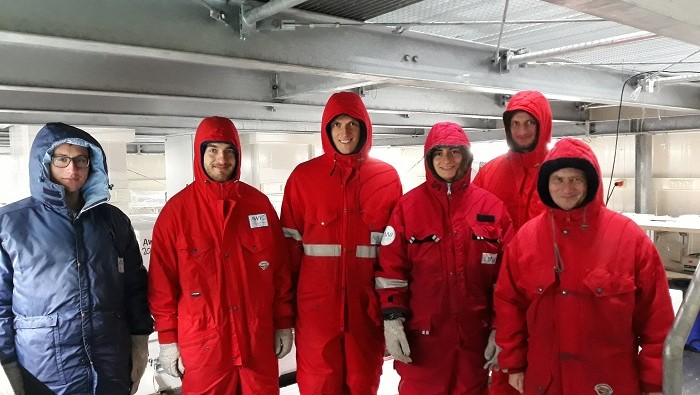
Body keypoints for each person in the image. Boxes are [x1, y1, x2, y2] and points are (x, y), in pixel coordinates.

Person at [494, 138, 674, 395]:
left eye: (576, 179)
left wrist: (654, 381)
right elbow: (508, 306)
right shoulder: (526, 239)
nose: (566, 188)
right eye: (558, 179)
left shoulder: (629, 239)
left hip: (609, 381)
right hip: (545, 381)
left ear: (591, 182)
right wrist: (513, 364)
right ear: (546, 184)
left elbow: (658, 319)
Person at [0, 122, 152, 394]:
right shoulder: (10, 224)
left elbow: (135, 289)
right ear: (44, 163)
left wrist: (139, 345)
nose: (73, 169)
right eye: (62, 159)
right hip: (42, 368)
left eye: (81, 160)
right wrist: (7, 365)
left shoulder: (113, 221)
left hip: (110, 362)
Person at [148, 116, 294, 394]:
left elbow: (280, 271)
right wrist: (167, 339)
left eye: (229, 151)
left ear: (238, 155)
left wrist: (283, 322)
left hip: (256, 340)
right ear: (200, 153)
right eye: (212, 150)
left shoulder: (258, 205)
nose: (221, 158)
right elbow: (161, 285)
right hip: (204, 346)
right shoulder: (176, 213)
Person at [376, 121, 514, 394]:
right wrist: (392, 320)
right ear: (429, 158)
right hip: (423, 343)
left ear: (466, 156)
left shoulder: (492, 208)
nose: (446, 160)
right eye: (439, 153)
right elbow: (392, 271)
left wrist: (502, 329)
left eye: (454, 152)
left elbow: (508, 279)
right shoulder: (408, 207)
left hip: (474, 342)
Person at [281, 92, 402, 394]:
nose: (344, 133)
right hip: (316, 314)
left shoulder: (386, 178)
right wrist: (283, 315)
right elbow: (287, 253)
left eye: (352, 124)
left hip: (366, 312)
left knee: (363, 385)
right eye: (336, 125)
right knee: (318, 386)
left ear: (365, 129)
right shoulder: (303, 177)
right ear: (326, 130)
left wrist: (394, 313)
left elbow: (395, 254)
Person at [471, 90, 552, 394]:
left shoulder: (561, 171)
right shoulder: (489, 172)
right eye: (515, 123)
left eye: (529, 123)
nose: (521, 131)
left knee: (549, 370)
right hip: (499, 291)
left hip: (548, 290)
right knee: (504, 367)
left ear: (542, 125)